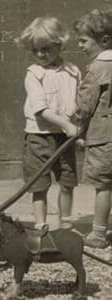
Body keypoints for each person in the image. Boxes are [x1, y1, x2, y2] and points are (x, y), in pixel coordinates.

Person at [15, 17, 81, 230]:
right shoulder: (34, 74)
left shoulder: (73, 71)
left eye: (46, 49)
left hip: (65, 137)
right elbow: (41, 110)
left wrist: (77, 126)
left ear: (60, 45)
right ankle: (41, 224)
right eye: (35, 50)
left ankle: (66, 224)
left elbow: (79, 101)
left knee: (67, 182)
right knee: (39, 184)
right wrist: (67, 125)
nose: (40, 55)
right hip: (39, 136)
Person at [74, 8, 112, 249]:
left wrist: (77, 124)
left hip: (104, 136)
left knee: (103, 186)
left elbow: (85, 105)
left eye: (84, 40)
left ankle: (98, 233)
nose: (80, 45)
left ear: (104, 40)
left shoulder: (97, 68)